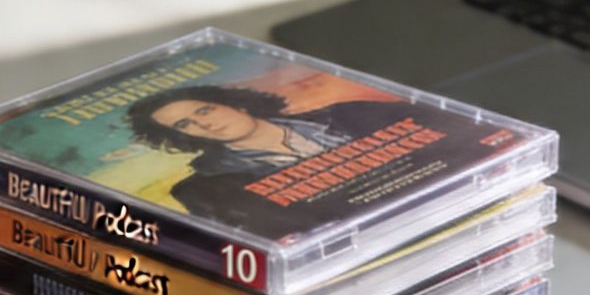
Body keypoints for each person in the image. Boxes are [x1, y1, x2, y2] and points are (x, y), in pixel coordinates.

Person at [126, 84, 419, 231]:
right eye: (184, 124)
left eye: (204, 110)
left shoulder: (350, 113)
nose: (203, 123)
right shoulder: (205, 189)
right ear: (182, 136)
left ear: (235, 105)